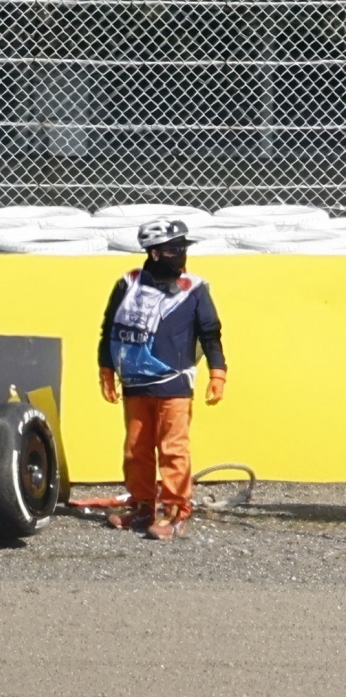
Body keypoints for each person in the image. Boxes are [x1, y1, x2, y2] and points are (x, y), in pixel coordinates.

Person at [99, 218, 226, 540]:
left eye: (182, 248)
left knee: (173, 449)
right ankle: (142, 507)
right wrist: (106, 369)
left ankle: (176, 510)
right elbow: (109, 329)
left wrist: (218, 372)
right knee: (136, 449)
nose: (180, 255)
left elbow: (210, 332)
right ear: (154, 253)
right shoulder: (128, 284)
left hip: (175, 385)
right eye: (173, 250)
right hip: (135, 384)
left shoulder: (194, 289)